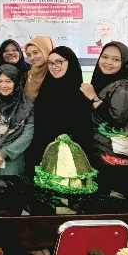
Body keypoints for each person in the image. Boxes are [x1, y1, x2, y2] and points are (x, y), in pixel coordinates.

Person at [81, 42, 128, 197]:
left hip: (113, 158)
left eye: (115, 59)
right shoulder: (105, 82)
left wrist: (93, 97)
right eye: (104, 57)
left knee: (112, 202)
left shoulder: (124, 87)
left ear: (124, 62)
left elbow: (117, 119)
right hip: (100, 153)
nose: (108, 62)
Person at [28, 46, 95, 175]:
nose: (54, 66)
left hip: (71, 157)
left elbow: (84, 130)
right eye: (50, 63)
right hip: (43, 152)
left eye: (59, 62)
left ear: (70, 62)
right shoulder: (46, 89)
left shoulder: (82, 92)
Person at [22, 36, 54, 102]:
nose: (32, 58)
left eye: (35, 53)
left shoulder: (56, 74)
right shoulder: (28, 75)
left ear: (46, 50)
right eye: (29, 55)